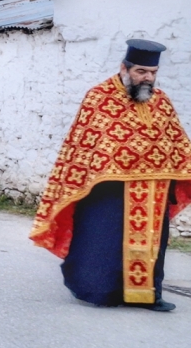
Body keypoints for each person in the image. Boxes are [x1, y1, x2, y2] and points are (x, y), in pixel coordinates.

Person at [30, 39, 191, 311]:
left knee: (153, 243)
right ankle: (101, 290)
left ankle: (149, 295)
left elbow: (176, 141)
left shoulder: (161, 101)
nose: (147, 78)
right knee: (104, 241)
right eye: (141, 71)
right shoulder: (99, 97)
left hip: (155, 189)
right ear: (124, 68)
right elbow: (84, 146)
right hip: (108, 189)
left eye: (152, 73)